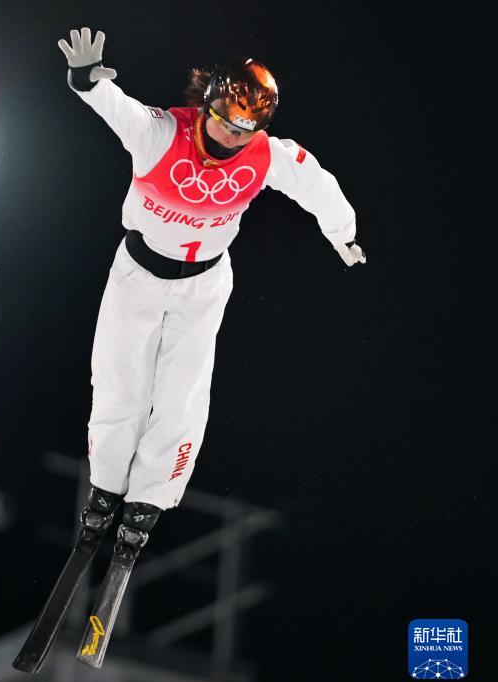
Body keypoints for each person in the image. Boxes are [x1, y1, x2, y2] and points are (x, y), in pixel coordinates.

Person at [59, 27, 365, 560]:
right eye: (225, 123)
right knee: (119, 382)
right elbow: (113, 106)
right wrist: (86, 79)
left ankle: (150, 498)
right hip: (139, 275)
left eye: (245, 131)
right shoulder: (160, 134)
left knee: (181, 394)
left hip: (203, 285)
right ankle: (106, 487)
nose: (231, 139)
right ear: (208, 105)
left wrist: (344, 234)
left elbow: (318, 185)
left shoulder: (267, 156)